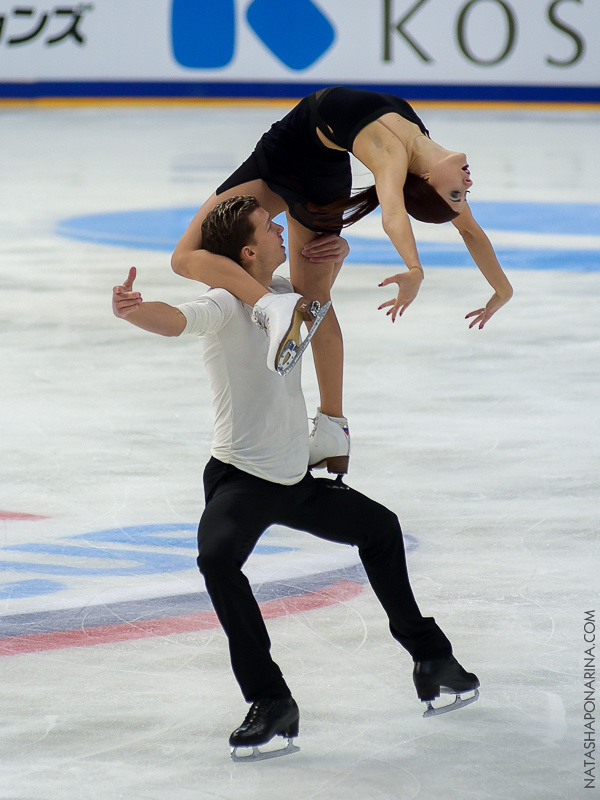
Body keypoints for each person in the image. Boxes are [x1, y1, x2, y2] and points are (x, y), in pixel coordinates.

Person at [113, 195, 480, 760]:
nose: (283, 231)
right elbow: (178, 320)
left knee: (381, 529)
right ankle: (269, 698)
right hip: (240, 480)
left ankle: (431, 657)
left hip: (294, 474)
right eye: (270, 226)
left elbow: (321, 296)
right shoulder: (224, 301)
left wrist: (339, 251)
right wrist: (134, 310)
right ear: (247, 251)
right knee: (216, 558)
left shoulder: (289, 297)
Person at [170, 86, 513, 474]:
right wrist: (502, 288)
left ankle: (280, 325)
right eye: (459, 195)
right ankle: (332, 428)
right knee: (311, 299)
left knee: (187, 259)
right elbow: (469, 231)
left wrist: (417, 269)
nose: (466, 187)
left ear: (428, 177)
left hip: (288, 164)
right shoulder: (416, 142)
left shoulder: (395, 155)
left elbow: (394, 214)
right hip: (314, 176)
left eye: (456, 194)